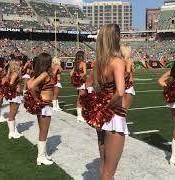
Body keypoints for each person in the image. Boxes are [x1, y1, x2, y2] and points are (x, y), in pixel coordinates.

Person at [81, 24, 129, 180]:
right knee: (109, 171)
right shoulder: (117, 61)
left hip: (102, 117)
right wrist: (107, 107)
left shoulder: (100, 63)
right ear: (116, 38)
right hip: (114, 116)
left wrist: (95, 103)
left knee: (103, 164)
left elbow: (87, 85)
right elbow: (120, 91)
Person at [24, 53, 55, 166]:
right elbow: (31, 86)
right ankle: (41, 157)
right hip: (44, 106)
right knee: (44, 131)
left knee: (43, 131)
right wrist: (37, 99)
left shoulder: (40, 74)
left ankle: (43, 154)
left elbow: (28, 83)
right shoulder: (45, 73)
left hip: (43, 105)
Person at [2, 59, 23, 139]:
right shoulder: (15, 73)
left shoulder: (10, 73)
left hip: (13, 95)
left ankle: (14, 130)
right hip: (15, 95)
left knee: (12, 113)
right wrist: (15, 89)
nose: (20, 65)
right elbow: (11, 84)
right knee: (12, 113)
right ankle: (11, 132)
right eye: (19, 64)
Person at [70, 51, 87, 122]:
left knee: (79, 98)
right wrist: (80, 77)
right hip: (82, 83)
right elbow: (85, 73)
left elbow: (70, 73)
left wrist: (75, 78)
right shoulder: (83, 63)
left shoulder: (76, 64)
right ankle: (79, 116)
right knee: (80, 99)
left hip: (77, 84)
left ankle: (80, 115)